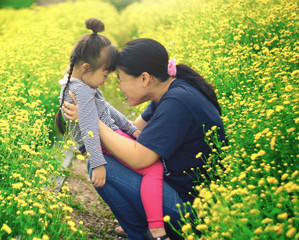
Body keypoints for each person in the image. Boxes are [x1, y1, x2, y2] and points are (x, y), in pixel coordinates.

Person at [62, 38, 226, 240]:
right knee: (109, 159)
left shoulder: (177, 103)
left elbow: (139, 158)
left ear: (144, 79)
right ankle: (140, 227)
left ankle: (141, 234)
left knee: (104, 168)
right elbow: (134, 131)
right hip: (183, 194)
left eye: (121, 79)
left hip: (194, 213)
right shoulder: (170, 90)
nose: (119, 86)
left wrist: (91, 120)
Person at [56, 20, 169, 239]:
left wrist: (132, 129)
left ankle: (136, 225)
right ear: (87, 68)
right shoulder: (82, 91)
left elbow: (106, 109)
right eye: (106, 74)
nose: (107, 81)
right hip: (105, 142)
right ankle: (156, 229)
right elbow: (89, 125)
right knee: (153, 168)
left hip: (109, 136)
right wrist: (97, 163)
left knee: (149, 164)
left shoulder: (78, 84)